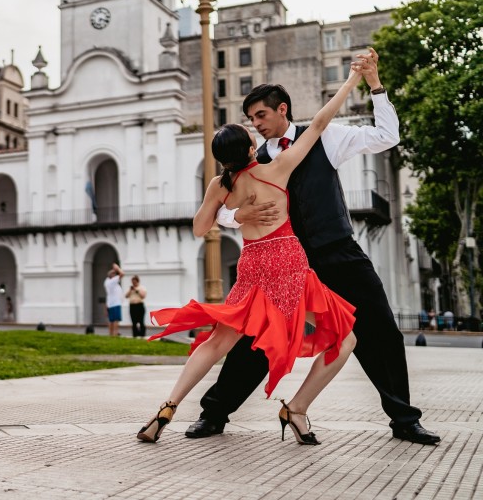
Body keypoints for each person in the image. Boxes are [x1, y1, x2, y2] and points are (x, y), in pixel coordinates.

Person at [185, 48, 440, 446]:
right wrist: (237, 216)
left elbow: (388, 136)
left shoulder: (326, 136)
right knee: (256, 340)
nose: (256, 125)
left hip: (338, 252)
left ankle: (405, 420)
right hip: (286, 262)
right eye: (251, 119)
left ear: (282, 109)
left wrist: (374, 84)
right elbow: (217, 209)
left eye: (261, 116)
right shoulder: (253, 160)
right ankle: (214, 414)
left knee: (379, 331)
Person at [137, 56, 365, 446]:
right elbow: (319, 123)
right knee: (345, 340)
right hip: (288, 267)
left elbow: (199, 228)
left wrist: (232, 212)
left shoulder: (220, 185)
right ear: (250, 147)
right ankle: (297, 408)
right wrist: (351, 81)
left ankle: (167, 407)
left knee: (217, 343)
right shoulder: (276, 169)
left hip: (253, 268)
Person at [104, 263, 124, 337]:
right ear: (112, 276)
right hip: (116, 303)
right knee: (116, 320)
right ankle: (115, 334)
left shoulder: (107, 281)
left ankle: (111, 334)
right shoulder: (112, 281)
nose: (116, 275)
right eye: (115, 274)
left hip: (110, 303)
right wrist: (117, 268)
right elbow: (122, 274)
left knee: (111, 320)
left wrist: (106, 306)